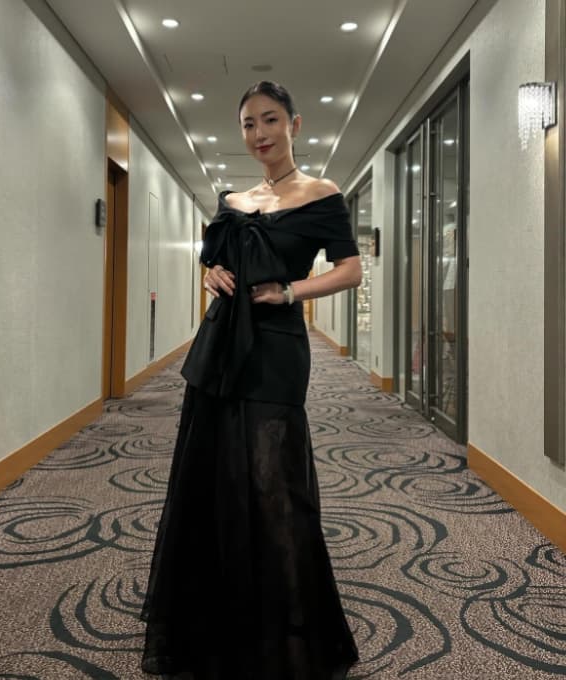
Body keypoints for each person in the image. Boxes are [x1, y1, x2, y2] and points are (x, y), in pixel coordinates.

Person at [140, 80, 362, 680]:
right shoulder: (232, 201)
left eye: (269, 119)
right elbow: (213, 259)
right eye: (248, 123)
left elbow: (350, 271)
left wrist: (290, 290)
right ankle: (220, 619)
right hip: (220, 346)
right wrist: (210, 273)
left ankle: (285, 627)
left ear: (294, 124)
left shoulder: (322, 195)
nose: (259, 133)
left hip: (277, 349)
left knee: (274, 483)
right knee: (213, 474)